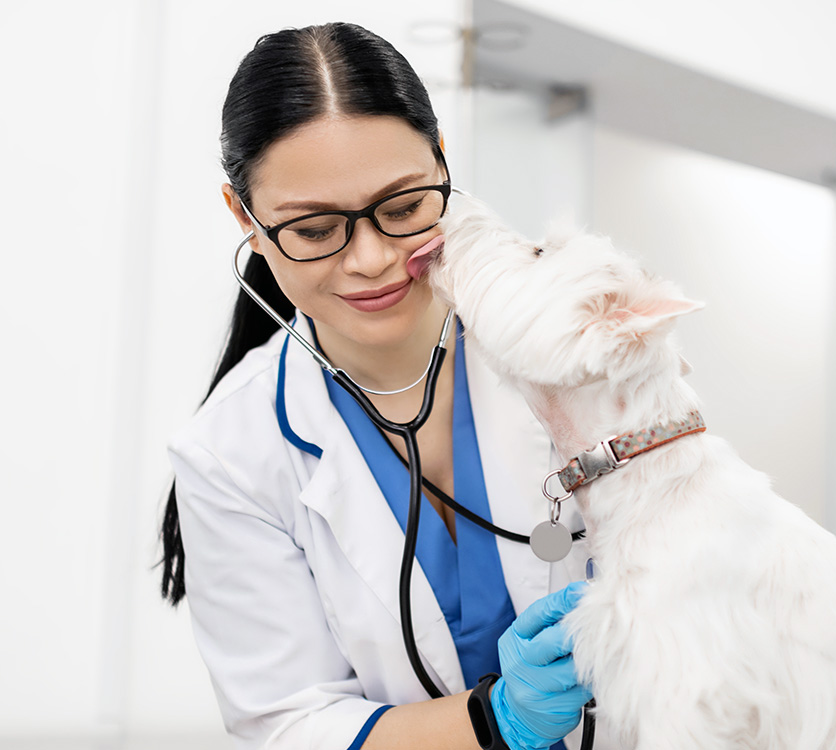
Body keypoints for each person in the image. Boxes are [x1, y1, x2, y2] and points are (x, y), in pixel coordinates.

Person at [160, 22, 591, 750]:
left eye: (402, 208)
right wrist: (496, 722)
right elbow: (291, 723)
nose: (371, 258)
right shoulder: (230, 454)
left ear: (442, 162)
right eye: (314, 229)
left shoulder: (576, 339)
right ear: (247, 219)